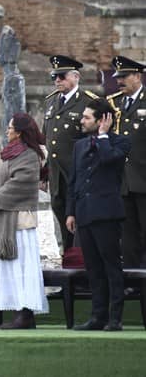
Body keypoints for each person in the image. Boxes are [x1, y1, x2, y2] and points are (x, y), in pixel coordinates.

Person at [0, 113, 49, 329]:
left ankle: (25, 312)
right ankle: (19, 310)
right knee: (11, 267)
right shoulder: (13, 154)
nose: (7, 131)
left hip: (19, 222)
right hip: (8, 220)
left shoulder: (29, 154)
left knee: (22, 267)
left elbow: (21, 182)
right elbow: (1, 178)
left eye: (10, 128)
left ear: (19, 132)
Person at [67, 99, 130, 331]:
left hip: (106, 215)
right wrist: (70, 212)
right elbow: (73, 181)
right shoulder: (79, 146)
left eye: (86, 117)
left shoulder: (119, 142)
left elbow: (109, 160)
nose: (81, 121)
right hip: (84, 214)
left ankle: (115, 318)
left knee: (111, 267)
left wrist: (103, 136)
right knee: (93, 269)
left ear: (102, 120)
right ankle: (97, 316)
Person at [41, 55, 97, 252]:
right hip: (57, 175)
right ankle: (69, 262)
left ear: (75, 77)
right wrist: (44, 172)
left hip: (79, 174)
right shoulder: (51, 102)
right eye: (54, 77)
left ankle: (82, 265)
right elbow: (47, 141)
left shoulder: (88, 102)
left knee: (81, 223)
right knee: (61, 217)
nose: (57, 81)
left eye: (62, 76)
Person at [109, 56, 146, 270]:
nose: (119, 81)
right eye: (118, 77)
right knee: (129, 234)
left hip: (144, 179)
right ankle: (133, 279)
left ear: (137, 76)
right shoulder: (117, 104)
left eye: (124, 76)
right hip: (124, 182)